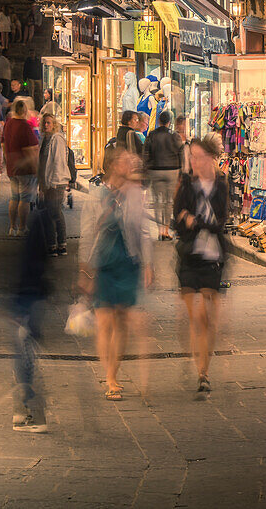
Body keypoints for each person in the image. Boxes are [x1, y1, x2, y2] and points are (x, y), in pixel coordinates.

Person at [79, 146, 150, 401]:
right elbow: (87, 231)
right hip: (104, 262)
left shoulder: (134, 193)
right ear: (111, 166)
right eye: (121, 161)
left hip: (127, 261)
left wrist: (149, 264)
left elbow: (142, 230)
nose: (127, 164)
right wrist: (84, 268)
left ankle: (114, 373)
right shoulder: (97, 194)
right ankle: (109, 379)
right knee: (105, 322)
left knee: (121, 323)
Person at [173, 134, 228, 398]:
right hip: (189, 257)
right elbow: (176, 219)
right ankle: (199, 365)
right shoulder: (185, 184)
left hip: (213, 257)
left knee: (209, 321)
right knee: (196, 318)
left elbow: (221, 222)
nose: (193, 162)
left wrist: (195, 220)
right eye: (190, 157)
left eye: (197, 157)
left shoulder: (221, 186)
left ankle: (203, 373)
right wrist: (184, 219)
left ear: (209, 159)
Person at [11, 204, 53, 432]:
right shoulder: (41, 236)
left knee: (25, 359)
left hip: (28, 301)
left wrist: (18, 307)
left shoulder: (32, 241)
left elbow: (28, 272)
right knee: (24, 357)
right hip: (32, 299)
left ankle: (35, 413)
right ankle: (23, 410)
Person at [144, 110, 183, 240]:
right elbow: (181, 152)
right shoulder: (174, 135)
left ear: (159, 121)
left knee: (157, 202)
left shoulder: (152, 135)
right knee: (168, 202)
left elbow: (146, 153)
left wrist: (146, 168)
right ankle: (166, 231)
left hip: (155, 170)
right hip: (172, 170)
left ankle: (160, 230)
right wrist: (181, 172)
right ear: (169, 122)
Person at [3, 99, 39, 236]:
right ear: (24, 111)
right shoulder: (24, 126)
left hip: (12, 167)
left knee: (14, 197)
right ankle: (22, 227)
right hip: (25, 169)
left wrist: (7, 159)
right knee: (24, 199)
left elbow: (3, 144)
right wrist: (36, 168)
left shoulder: (8, 124)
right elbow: (31, 149)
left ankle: (12, 227)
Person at [38, 113, 72, 255]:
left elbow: (58, 162)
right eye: (44, 123)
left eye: (49, 123)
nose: (46, 125)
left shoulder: (57, 139)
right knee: (49, 212)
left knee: (54, 212)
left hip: (56, 181)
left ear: (54, 125)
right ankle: (52, 244)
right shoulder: (45, 139)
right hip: (47, 182)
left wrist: (52, 182)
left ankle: (61, 243)